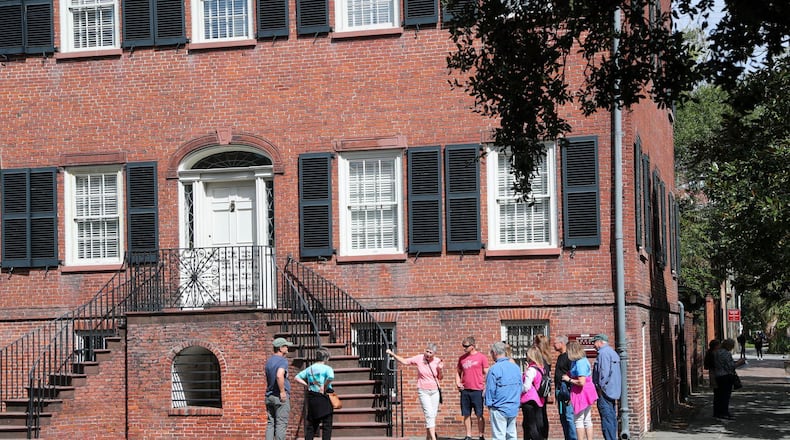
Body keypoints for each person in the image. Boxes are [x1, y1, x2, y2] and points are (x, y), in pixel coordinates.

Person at [387, 344, 444, 440]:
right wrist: (392, 354)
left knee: (432, 415)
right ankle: (434, 438)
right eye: (427, 351)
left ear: (434, 354)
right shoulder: (419, 358)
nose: (428, 354)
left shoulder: (438, 361)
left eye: (430, 353)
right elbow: (405, 361)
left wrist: (440, 369)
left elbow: (440, 378)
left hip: (435, 391)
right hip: (423, 390)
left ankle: (428, 437)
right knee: (429, 414)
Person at [295, 348, 335, 440]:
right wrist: (324, 386)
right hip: (324, 397)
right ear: (325, 358)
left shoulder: (310, 369)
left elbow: (297, 377)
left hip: (312, 397)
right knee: (327, 425)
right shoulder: (327, 368)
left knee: (312, 425)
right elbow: (331, 377)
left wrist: (307, 384)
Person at [485, 341, 522, 440]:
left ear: (495, 353)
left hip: (499, 406)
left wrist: (489, 405)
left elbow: (490, 390)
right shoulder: (516, 368)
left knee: (498, 436)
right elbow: (520, 387)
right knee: (512, 435)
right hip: (513, 406)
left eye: (491, 353)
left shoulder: (494, 369)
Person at [562, 341, 598, 440]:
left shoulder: (580, 363)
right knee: (587, 418)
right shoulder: (579, 360)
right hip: (586, 391)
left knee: (579, 419)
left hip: (581, 392)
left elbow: (581, 382)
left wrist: (568, 379)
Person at [456, 337, 489, 440]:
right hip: (465, 390)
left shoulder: (481, 357)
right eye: (463, 346)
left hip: (477, 389)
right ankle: (468, 435)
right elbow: (458, 372)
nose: (464, 348)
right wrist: (458, 382)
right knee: (466, 414)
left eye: (466, 346)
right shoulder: (462, 358)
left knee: (479, 413)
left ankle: (481, 435)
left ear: (473, 346)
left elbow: (487, 372)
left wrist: (486, 386)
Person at [591, 334, 621, 440]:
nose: (593, 345)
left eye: (594, 342)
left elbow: (603, 374)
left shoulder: (603, 354)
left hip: (605, 392)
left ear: (600, 342)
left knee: (607, 419)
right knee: (611, 418)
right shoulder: (612, 352)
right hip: (612, 392)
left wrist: (600, 388)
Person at [265, 337, 294, 440]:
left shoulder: (269, 361)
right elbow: (279, 375)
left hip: (269, 396)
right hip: (279, 397)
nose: (287, 348)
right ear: (280, 348)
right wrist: (282, 392)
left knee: (270, 424)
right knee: (281, 424)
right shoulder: (282, 361)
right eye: (286, 346)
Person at [712, 338, 746, 420]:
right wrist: (739, 363)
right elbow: (730, 367)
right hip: (726, 376)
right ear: (729, 346)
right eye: (732, 346)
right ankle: (724, 412)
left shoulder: (716, 352)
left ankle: (717, 412)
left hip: (718, 375)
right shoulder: (726, 353)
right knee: (725, 395)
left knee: (718, 395)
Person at [553, 335, 577, 440]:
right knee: (563, 417)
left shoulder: (569, 357)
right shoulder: (559, 357)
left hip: (567, 391)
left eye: (555, 343)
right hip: (560, 391)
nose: (553, 345)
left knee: (569, 417)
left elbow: (573, 375)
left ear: (561, 343)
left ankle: (572, 438)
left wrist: (571, 394)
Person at [520, 346, 547, 440]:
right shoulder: (541, 368)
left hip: (529, 399)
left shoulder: (531, 370)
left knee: (530, 426)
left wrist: (519, 390)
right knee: (533, 424)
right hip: (538, 400)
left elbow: (526, 386)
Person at [533, 335, 552, 439]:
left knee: (539, 413)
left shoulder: (540, 358)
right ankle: (544, 435)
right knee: (543, 412)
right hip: (545, 388)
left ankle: (541, 435)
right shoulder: (547, 356)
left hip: (538, 388)